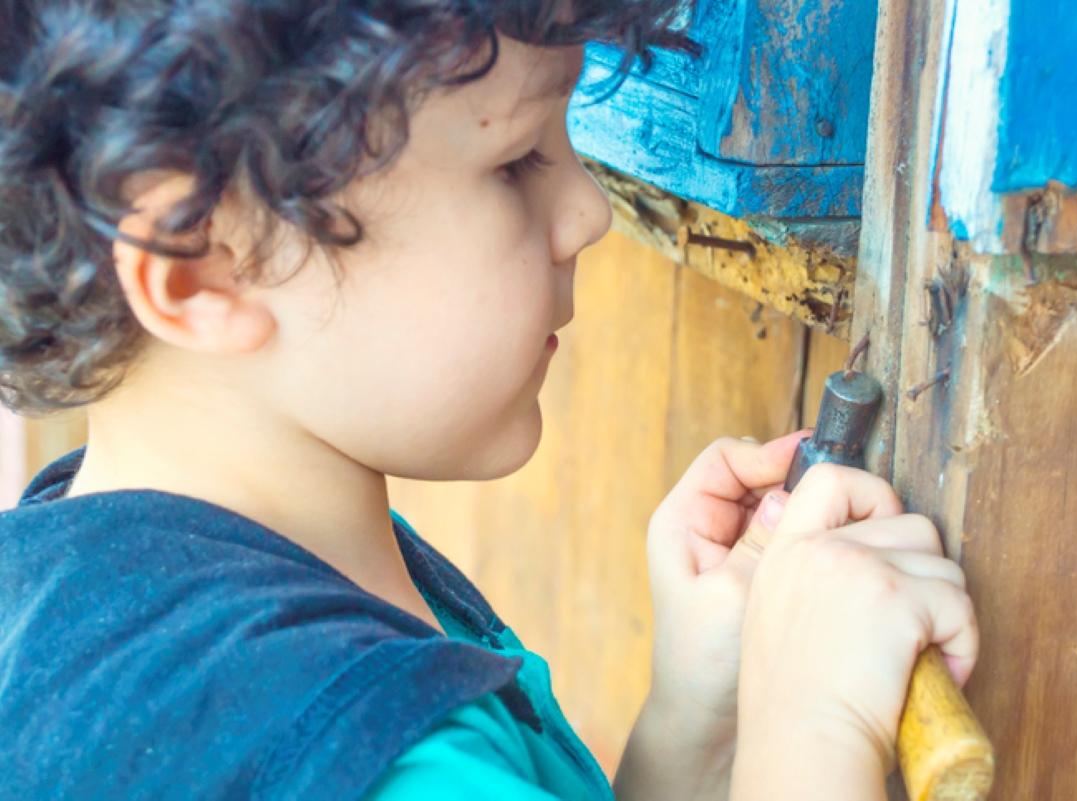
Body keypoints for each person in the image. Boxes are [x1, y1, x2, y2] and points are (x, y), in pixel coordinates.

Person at [0, 1, 979, 799]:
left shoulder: (76, 578)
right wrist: (812, 735)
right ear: (204, 271)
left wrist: (698, 727)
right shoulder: (358, 750)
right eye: (514, 162)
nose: (588, 212)